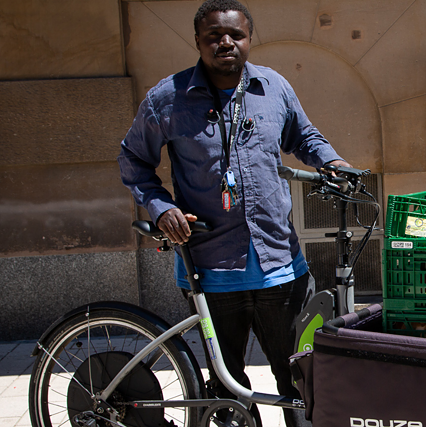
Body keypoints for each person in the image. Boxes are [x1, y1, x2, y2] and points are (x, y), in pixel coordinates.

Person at [118, 0, 350, 425]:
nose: (225, 42)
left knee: (299, 383)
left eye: (235, 35)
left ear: (248, 38)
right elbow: (133, 160)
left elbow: (304, 135)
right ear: (198, 42)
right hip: (209, 270)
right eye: (213, 36)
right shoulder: (167, 98)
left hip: (281, 268)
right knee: (227, 387)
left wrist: (332, 163)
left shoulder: (273, 87)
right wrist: (162, 206)